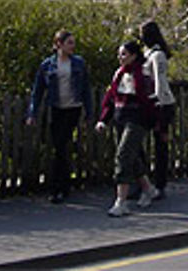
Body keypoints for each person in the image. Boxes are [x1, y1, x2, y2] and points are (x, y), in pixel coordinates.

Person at [26, 29, 93, 204]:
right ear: (59, 45)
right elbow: (37, 91)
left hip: (73, 108)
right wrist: (32, 112)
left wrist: (89, 112)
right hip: (56, 108)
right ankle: (63, 184)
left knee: (62, 145)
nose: (73, 46)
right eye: (69, 42)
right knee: (59, 147)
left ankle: (58, 188)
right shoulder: (48, 65)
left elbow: (86, 89)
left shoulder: (78, 63)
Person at [95, 41, 159, 216]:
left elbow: (150, 100)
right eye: (119, 54)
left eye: (123, 54)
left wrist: (154, 122)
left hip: (137, 120)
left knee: (123, 156)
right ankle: (148, 189)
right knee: (133, 157)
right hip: (120, 118)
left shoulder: (143, 74)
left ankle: (120, 201)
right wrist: (103, 120)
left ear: (133, 55)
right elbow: (110, 98)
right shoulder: (119, 74)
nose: (120, 57)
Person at [140, 20, 175, 200]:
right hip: (149, 103)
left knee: (160, 145)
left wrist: (158, 105)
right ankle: (143, 181)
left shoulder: (157, 55)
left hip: (162, 104)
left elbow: (160, 83)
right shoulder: (147, 54)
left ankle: (160, 184)